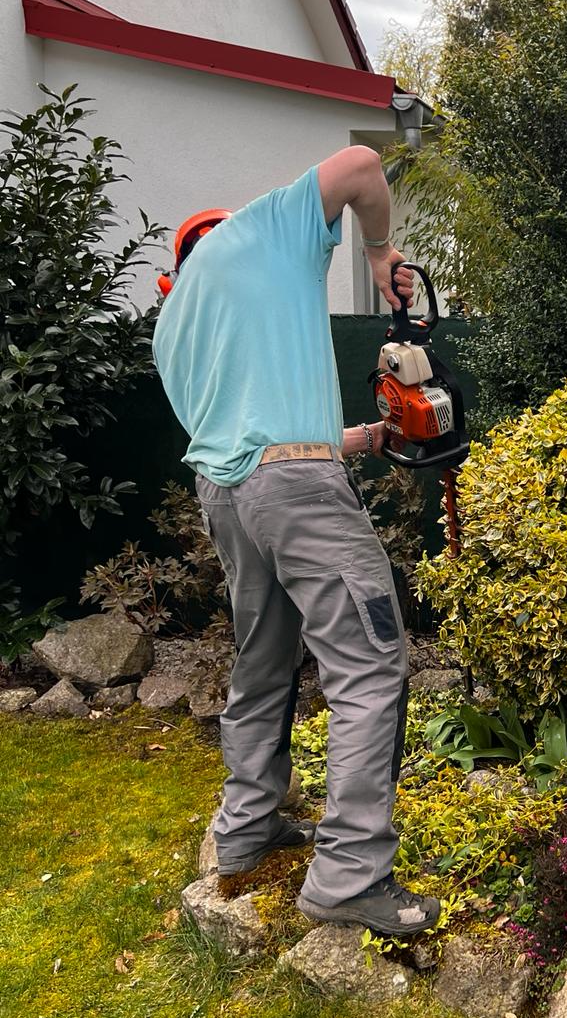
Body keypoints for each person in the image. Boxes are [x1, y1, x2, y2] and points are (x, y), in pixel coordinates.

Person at [152, 148, 440, 939]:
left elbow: (255, 439)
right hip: (297, 492)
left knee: (263, 659)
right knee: (370, 662)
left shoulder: (174, 326)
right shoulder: (261, 232)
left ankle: (245, 831)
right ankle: (351, 876)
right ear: (228, 231)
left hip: (229, 495)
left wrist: (367, 437)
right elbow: (361, 166)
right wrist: (379, 251)